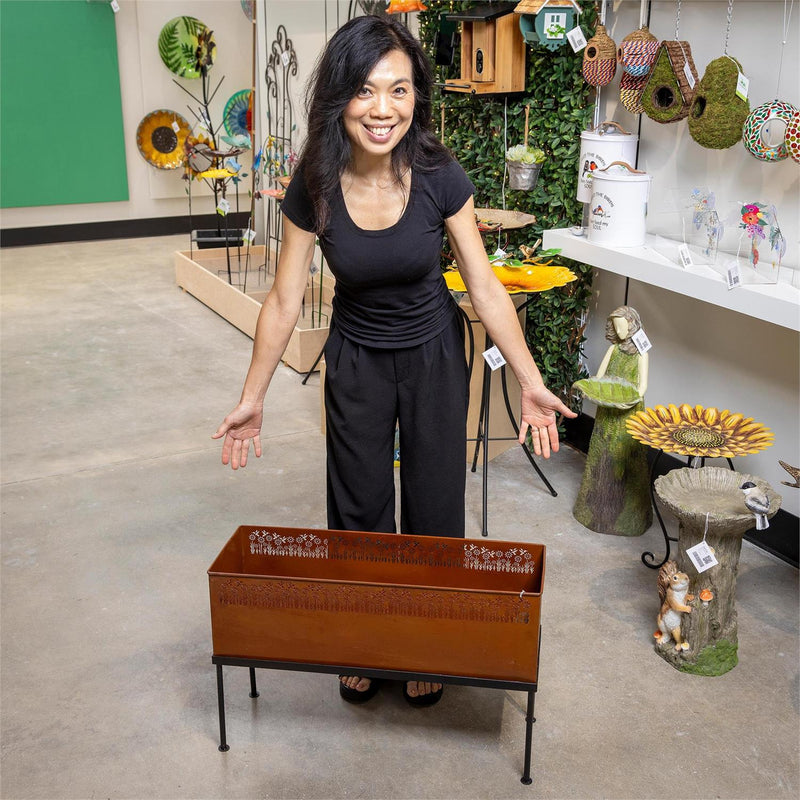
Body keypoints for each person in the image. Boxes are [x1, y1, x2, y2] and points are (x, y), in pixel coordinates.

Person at [213, 14, 575, 707]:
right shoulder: (313, 183)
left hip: (436, 351)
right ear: (340, 97)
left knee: (435, 501)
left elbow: (485, 284)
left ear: (418, 98)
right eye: (367, 91)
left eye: (400, 91)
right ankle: (365, 640)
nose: (384, 110)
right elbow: (286, 300)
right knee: (358, 505)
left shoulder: (439, 174)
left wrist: (529, 380)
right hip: (355, 356)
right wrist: (253, 393)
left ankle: (425, 640)